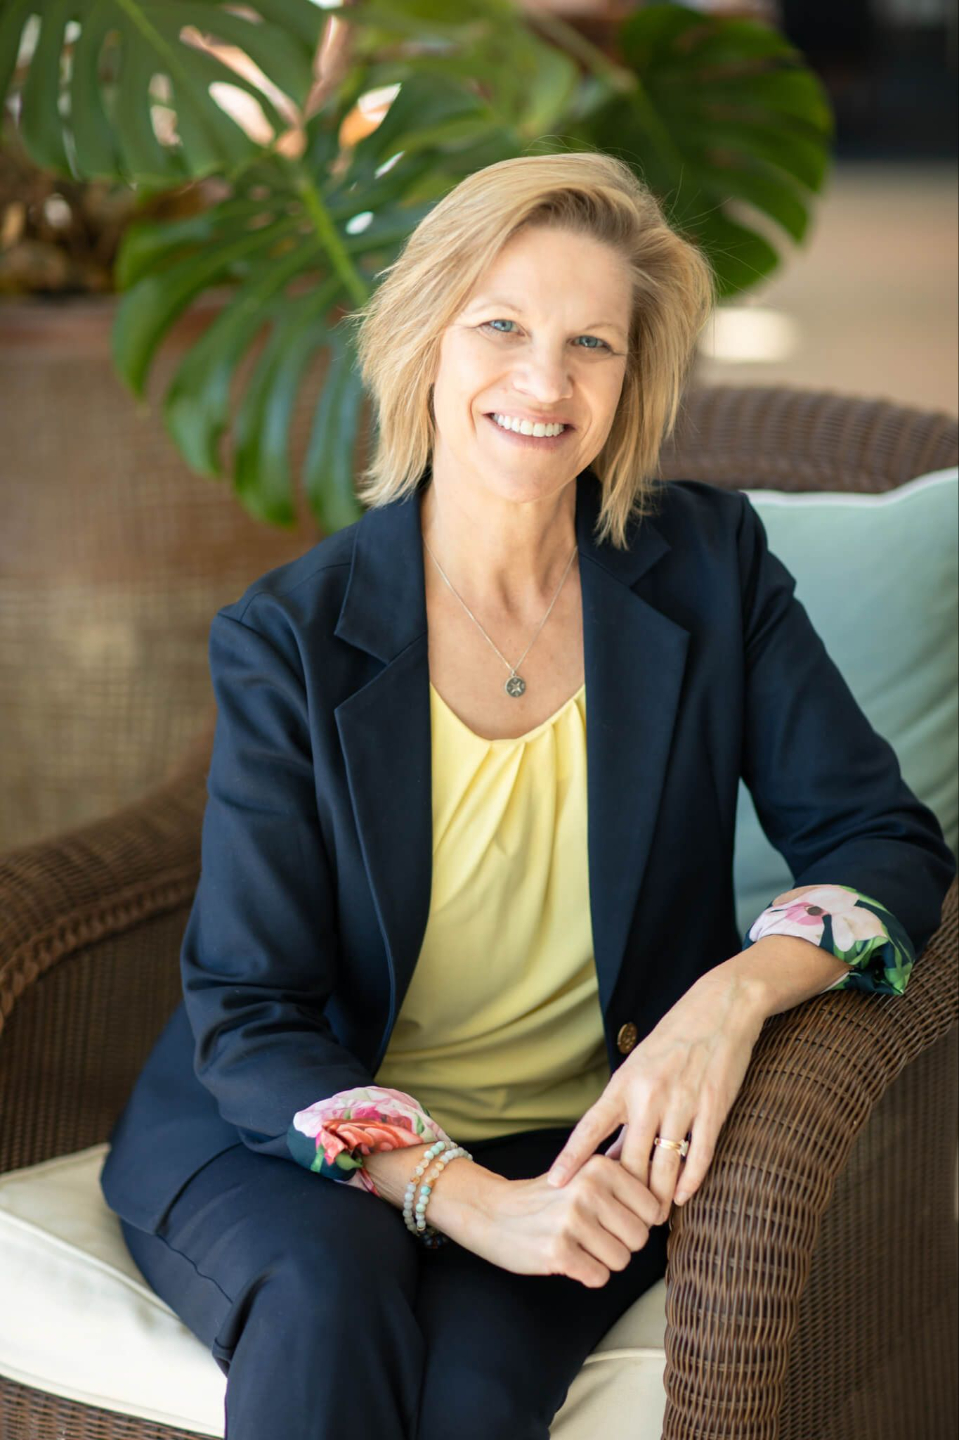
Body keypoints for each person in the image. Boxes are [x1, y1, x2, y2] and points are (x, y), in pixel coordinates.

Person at [99, 150, 956, 1440]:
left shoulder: (712, 571)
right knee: (334, 1307)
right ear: (425, 342)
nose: (545, 383)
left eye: (592, 345)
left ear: (632, 376)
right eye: (500, 326)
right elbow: (253, 1012)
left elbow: (883, 841)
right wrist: (459, 1196)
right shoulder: (291, 636)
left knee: (476, 1402)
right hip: (285, 1137)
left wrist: (731, 998)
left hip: (569, 1146)